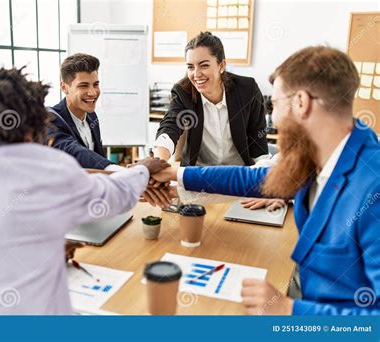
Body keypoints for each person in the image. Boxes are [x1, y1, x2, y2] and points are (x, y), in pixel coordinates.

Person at [0, 67, 170, 314]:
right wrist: (144, 167)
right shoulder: (46, 170)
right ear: (33, 126)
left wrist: (41, 241)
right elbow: (115, 195)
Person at [153, 46, 380, 315]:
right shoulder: (327, 151)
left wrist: (288, 310)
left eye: (274, 105)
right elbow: (252, 178)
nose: (274, 119)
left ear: (301, 103)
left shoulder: (372, 188)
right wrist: (175, 173)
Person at [153, 32, 269, 167]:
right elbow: (169, 126)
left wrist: (263, 173)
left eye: (204, 65)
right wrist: (157, 162)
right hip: (197, 175)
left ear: (221, 65)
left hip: (237, 174)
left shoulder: (247, 89)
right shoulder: (183, 91)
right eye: (190, 67)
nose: (196, 74)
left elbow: (258, 139)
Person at [47, 53, 123, 171]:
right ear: (64, 87)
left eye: (95, 84)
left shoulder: (92, 116)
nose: (93, 93)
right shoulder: (51, 119)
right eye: (83, 86)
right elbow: (72, 150)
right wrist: (116, 169)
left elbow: (97, 156)